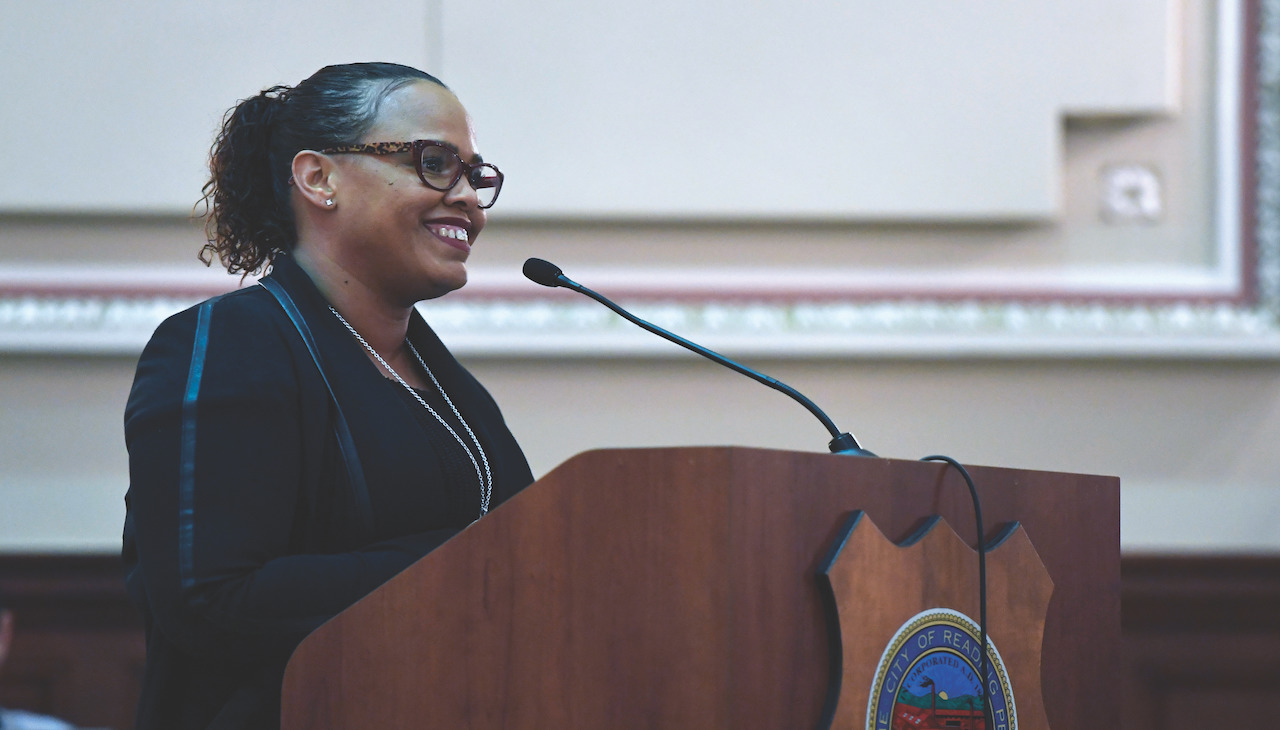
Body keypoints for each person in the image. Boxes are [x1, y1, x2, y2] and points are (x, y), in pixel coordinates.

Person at [122, 62, 534, 730]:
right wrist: (484, 565)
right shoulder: (231, 344)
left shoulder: (450, 387)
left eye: (475, 175)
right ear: (319, 178)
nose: (465, 196)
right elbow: (210, 600)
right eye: (434, 162)